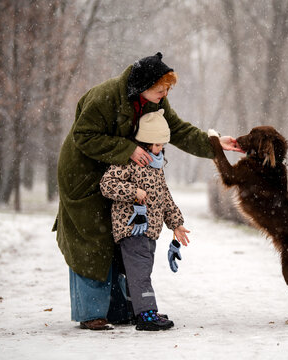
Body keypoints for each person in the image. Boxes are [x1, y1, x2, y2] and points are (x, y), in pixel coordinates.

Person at [52, 52, 241, 330]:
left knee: (120, 237)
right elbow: (84, 136)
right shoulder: (104, 97)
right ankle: (92, 313)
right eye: (160, 89)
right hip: (85, 174)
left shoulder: (154, 101)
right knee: (92, 241)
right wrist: (127, 149)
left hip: (121, 172)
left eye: (168, 89)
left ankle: (118, 309)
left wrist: (214, 143)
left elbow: (176, 130)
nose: (165, 94)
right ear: (141, 85)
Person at [100, 109, 187, 331]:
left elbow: (165, 198)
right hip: (132, 227)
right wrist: (133, 191)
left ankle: (133, 309)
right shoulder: (129, 161)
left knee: (139, 270)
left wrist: (176, 223)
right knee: (140, 270)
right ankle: (146, 314)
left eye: (162, 144)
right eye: (155, 144)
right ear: (144, 142)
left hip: (151, 229)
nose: (159, 149)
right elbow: (106, 185)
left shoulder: (157, 167)